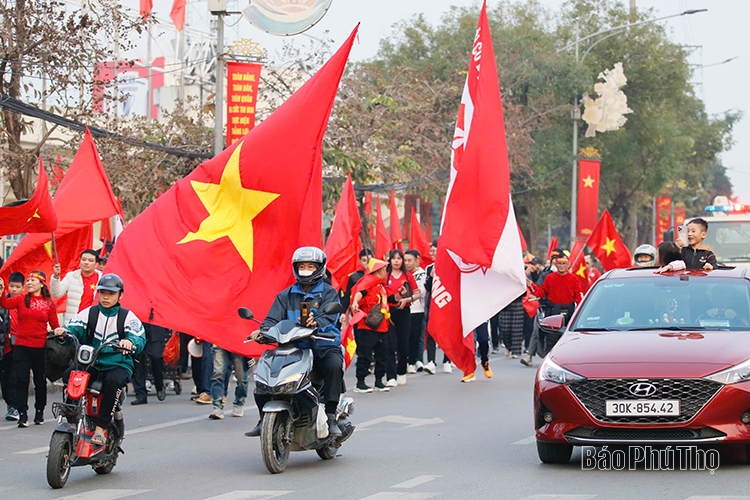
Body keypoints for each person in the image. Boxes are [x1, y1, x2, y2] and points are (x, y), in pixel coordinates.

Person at [245, 247, 344, 438]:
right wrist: (262, 332)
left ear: (319, 268)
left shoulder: (329, 293)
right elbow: (271, 320)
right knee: (263, 375)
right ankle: (262, 418)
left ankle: (331, 416)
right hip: (293, 349)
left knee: (334, 366)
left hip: (323, 346)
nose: (305, 270)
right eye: (302, 266)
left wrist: (317, 322)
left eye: (310, 266)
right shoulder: (285, 296)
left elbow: (330, 316)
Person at [53, 273, 145, 446]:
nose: (106, 297)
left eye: (111, 293)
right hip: (92, 362)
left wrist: (130, 342)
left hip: (118, 364)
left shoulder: (127, 317)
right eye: (103, 292)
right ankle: (71, 414)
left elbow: (138, 336)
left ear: (120, 295)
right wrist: (63, 332)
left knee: (113, 381)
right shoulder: (89, 313)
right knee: (70, 375)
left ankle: (101, 428)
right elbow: (74, 326)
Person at [0, 271, 59, 427]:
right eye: (29, 280)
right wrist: (2, 292)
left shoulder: (48, 304)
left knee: (40, 381)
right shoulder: (20, 299)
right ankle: (22, 414)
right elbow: (5, 304)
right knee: (21, 380)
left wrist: (60, 332)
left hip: (40, 348)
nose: (29, 283)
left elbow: (55, 325)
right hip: (21, 346)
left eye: (33, 280)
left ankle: (39, 411)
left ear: (41, 284)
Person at [521, 250, 584, 367]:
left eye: (564, 264)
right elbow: (541, 292)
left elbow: (578, 298)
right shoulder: (550, 278)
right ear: (555, 265)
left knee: (566, 339)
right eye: (559, 264)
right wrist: (532, 286)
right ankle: (550, 364)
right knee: (551, 338)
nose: (561, 266)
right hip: (553, 313)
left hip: (568, 313)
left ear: (568, 265)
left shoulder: (574, 279)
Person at [350, 258, 391, 393]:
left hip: (382, 325)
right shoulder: (368, 282)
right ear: (379, 270)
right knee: (365, 355)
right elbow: (360, 293)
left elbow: (389, 299)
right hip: (367, 325)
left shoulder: (381, 285)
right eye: (384, 268)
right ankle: (360, 382)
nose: (386, 271)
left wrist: (399, 296)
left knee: (382, 354)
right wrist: (356, 302)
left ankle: (379, 381)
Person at [384, 249, 420, 387]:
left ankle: (401, 372)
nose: (397, 261)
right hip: (389, 312)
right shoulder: (385, 276)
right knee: (390, 345)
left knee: (403, 344)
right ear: (390, 260)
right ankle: (391, 376)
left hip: (404, 312)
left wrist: (407, 299)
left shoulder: (408, 276)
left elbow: (417, 293)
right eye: (394, 258)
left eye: (400, 258)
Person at [51, 249, 102, 322]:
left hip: (94, 321)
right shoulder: (71, 276)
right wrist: (56, 276)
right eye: (84, 259)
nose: (86, 262)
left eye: (90, 260)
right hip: (74, 321)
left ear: (96, 264)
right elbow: (56, 294)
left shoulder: (102, 278)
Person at [423, 240, 452, 374]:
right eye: (432, 251)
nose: (433, 254)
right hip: (432, 305)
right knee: (431, 333)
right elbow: (427, 287)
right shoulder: (429, 268)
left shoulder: (450, 266)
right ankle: (431, 361)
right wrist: (431, 276)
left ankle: (447, 360)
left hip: (446, 304)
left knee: (446, 334)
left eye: (435, 251)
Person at [1, 272, 24, 421]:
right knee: (5, 378)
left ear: (23, 287)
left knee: (16, 378)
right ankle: (11, 404)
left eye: (17, 287)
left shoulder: (25, 302)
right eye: (11, 286)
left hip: (21, 346)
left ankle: (16, 407)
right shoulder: (5, 303)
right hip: (5, 347)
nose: (14, 289)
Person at [208, 345, 250, 420]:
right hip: (220, 341)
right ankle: (217, 407)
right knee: (218, 374)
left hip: (238, 343)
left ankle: (239, 402)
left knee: (241, 377)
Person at [130, 323, 168, 405]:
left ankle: (159, 385)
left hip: (156, 323)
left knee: (156, 356)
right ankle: (140, 394)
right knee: (137, 359)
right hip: (138, 324)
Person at [404, 250, 427, 374]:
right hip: (403, 310)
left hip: (417, 309)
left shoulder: (421, 274)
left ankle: (413, 361)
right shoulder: (401, 274)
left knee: (415, 338)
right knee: (403, 338)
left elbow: (421, 291)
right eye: (405, 260)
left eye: (409, 260)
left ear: (416, 260)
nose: (407, 263)